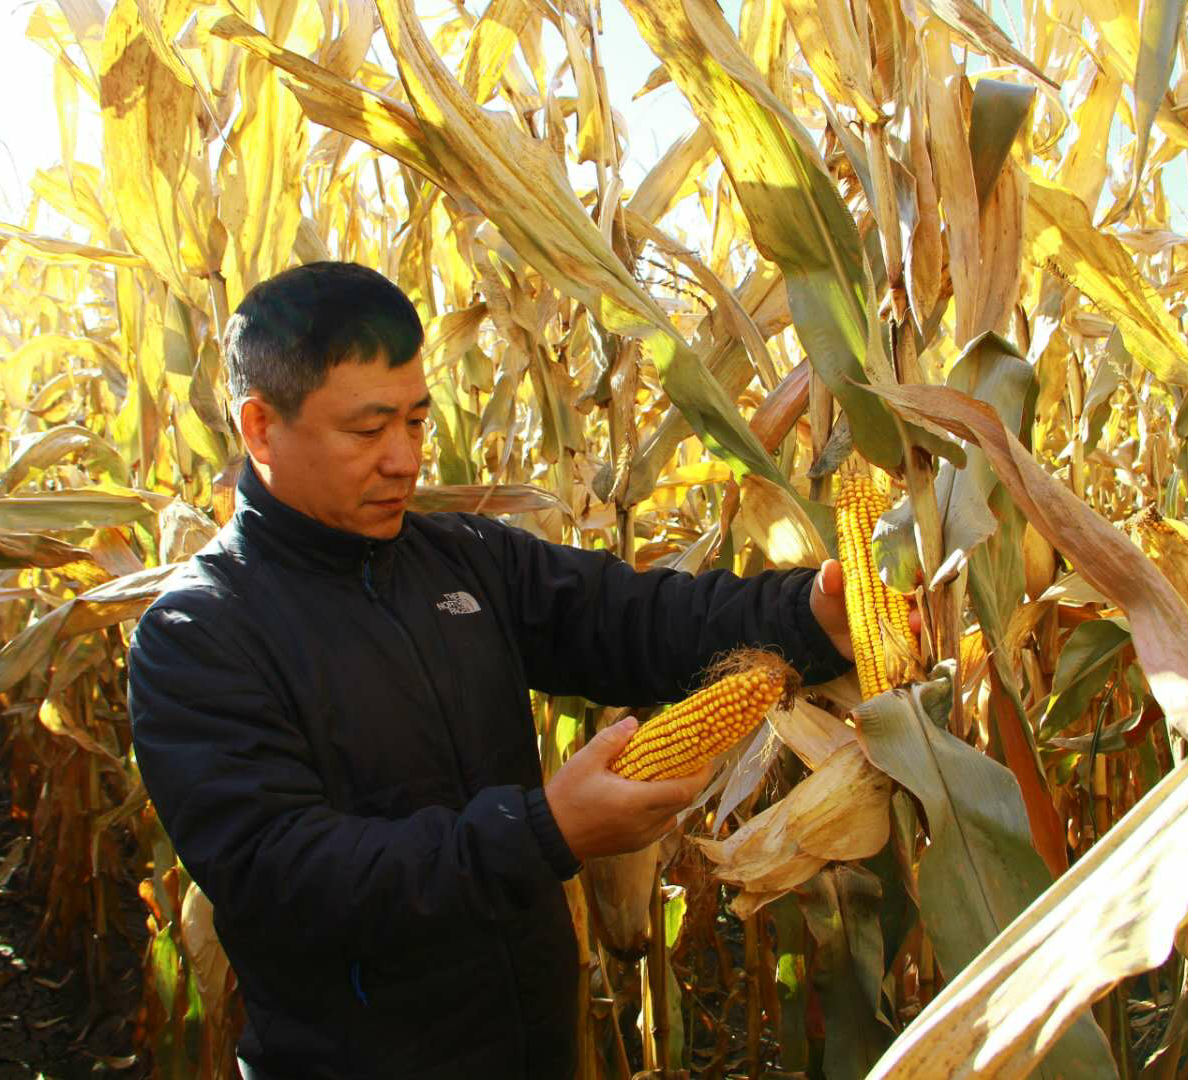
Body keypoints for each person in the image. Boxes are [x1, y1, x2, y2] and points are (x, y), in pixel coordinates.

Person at [127, 261, 857, 1079]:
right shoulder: (199, 634)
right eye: (368, 432)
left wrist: (811, 618)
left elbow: (641, 619)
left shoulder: (465, 561)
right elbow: (287, 880)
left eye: (416, 421)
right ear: (260, 429)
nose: (405, 461)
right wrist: (545, 832)